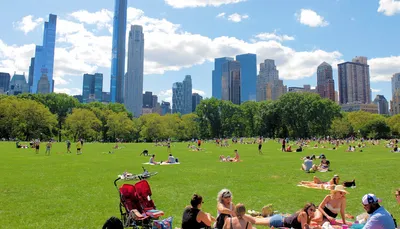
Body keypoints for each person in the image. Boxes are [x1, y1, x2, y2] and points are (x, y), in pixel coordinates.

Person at [244, 202, 317, 229]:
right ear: (306, 209)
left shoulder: (303, 212)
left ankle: (241, 214)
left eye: (313, 210)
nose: (312, 211)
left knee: (255, 219)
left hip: (281, 218)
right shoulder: (304, 214)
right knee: (255, 221)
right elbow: (304, 228)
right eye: (311, 209)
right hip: (279, 221)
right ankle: (240, 214)